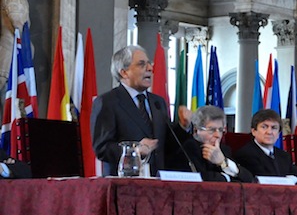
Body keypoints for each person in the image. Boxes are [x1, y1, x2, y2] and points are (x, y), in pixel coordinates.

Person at [91, 45, 171, 176]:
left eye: (149, 64)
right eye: (141, 64)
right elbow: (102, 148)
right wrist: (135, 151)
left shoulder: (158, 102)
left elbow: (167, 143)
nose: (150, 68)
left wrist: (184, 126)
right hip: (124, 182)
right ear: (124, 72)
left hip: (158, 182)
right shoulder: (108, 102)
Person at [178, 105, 254, 183]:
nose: (217, 135)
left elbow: (249, 179)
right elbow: (200, 178)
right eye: (211, 130)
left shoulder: (224, 149)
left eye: (220, 130)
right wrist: (227, 177)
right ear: (196, 130)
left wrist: (223, 162)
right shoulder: (190, 146)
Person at [234, 108, 297, 183]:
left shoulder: (284, 156)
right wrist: (290, 180)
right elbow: (267, 180)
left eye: (274, 128)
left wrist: (292, 179)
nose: (269, 132)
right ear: (254, 131)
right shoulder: (245, 154)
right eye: (264, 127)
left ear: (278, 134)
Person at [0, 0, 33, 93]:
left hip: (19, 47)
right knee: (3, 82)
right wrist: (26, 44)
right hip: (9, 46)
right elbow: (16, 22)